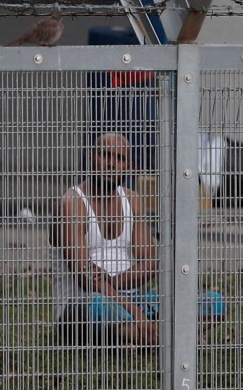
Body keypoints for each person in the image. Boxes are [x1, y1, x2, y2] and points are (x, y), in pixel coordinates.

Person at [50, 132, 160, 347]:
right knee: (99, 305)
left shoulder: (132, 200)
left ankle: (137, 335)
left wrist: (112, 284)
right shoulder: (73, 203)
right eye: (105, 155)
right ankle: (162, 336)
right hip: (83, 306)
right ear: (92, 157)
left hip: (130, 300)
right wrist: (134, 311)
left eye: (119, 159)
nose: (111, 164)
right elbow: (85, 278)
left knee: (214, 303)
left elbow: (150, 262)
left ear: (129, 167)